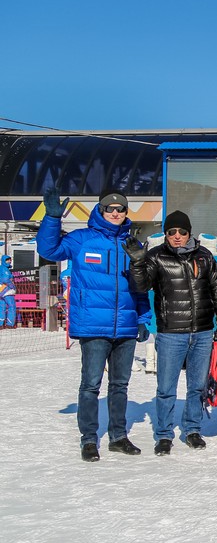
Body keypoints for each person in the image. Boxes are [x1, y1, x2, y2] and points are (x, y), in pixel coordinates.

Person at [37, 189, 152, 461]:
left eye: (120, 209)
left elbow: (140, 288)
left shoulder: (132, 243)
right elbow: (48, 248)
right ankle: (89, 439)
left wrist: (143, 317)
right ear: (100, 211)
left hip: (125, 326)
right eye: (109, 209)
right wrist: (53, 218)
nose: (115, 213)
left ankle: (118, 436)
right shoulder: (81, 240)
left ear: (126, 213)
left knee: (120, 385)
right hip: (92, 326)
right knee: (90, 385)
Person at [126, 210, 217, 455]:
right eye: (172, 232)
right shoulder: (156, 256)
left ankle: (193, 430)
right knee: (165, 388)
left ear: (189, 233)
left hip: (203, 331)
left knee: (196, 386)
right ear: (166, 234)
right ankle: (163, 434)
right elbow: (140, 286)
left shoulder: (204, 256)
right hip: (172, 332)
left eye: (182, 232)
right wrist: (138, 262)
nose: (177, 236)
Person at [0, 255, 15, 327]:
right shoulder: (5, 269)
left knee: (2, 307)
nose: (9, 261)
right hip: (7, 290)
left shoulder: (1, 268)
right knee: (11, 306)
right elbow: (5, 279)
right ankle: (10, 324)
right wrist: (12, 286)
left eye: (10, 260)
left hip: (1, 290)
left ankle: (0, 324)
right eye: (7, 260)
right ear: (4, 261)